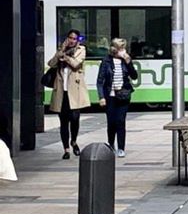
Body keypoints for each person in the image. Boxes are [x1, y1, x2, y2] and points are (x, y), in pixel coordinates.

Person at [47, 29, 90, 160]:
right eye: (70, 37)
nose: (71, 40)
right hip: (61, 90)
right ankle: (66, 149)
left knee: (75, 118)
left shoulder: (80, 50)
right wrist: (61, 51)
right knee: (63, 122)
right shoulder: (61, 49)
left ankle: (74, 141)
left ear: (77, 40)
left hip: (74, 90)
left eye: (74, 38)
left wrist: (65, 57)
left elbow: (76, 64)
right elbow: (51, 63)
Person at [96, 38, 138, 158]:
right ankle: (111, 144)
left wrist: (129, 62)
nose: (123, 51)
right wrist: (101, 97)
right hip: (110, 96)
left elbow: (134, 76)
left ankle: (121, 147)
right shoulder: (106, 61)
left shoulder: (126, 61)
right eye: (121, 49)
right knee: (111, 122)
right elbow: (100, 81)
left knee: (120, 121)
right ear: (115, 49)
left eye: (124, 48)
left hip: (124, 95)